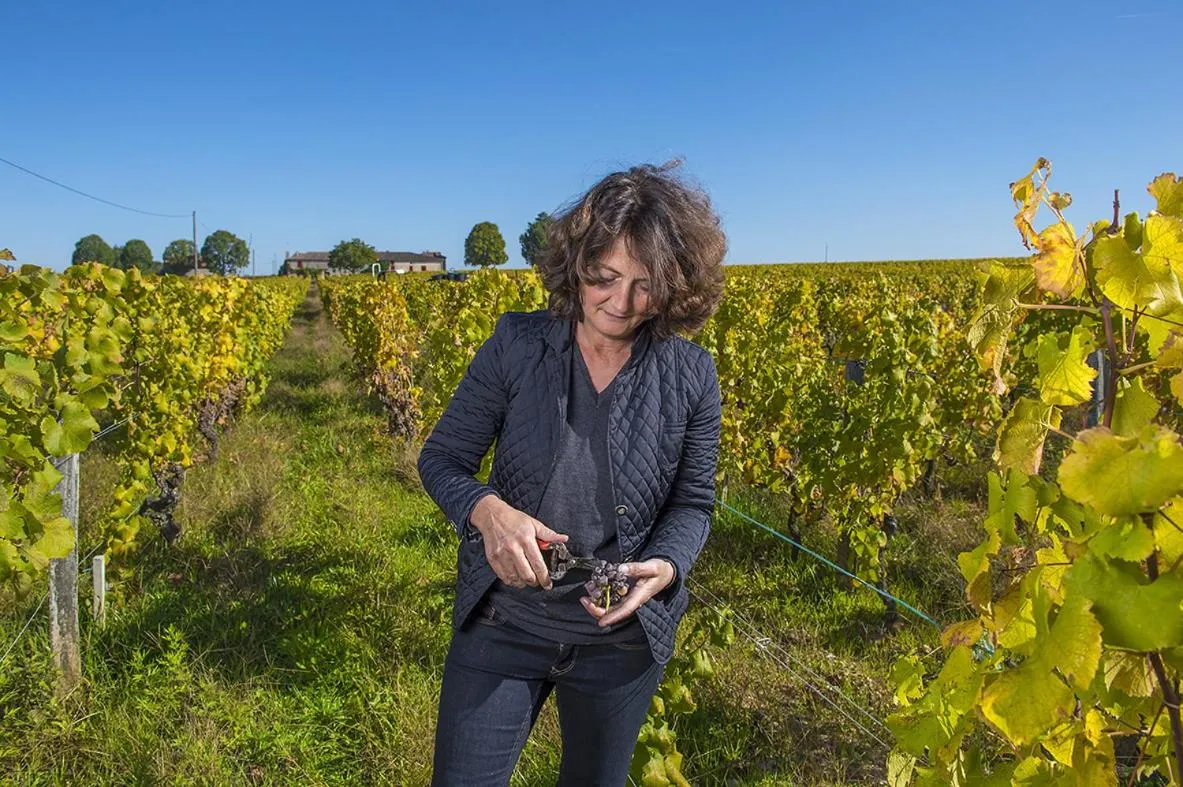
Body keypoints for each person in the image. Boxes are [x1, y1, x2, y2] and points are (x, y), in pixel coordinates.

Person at [418, 161, 725, 786]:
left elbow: (693, 504)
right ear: (576, 265)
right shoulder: (517, 344)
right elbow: (442, 459)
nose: (620, 302)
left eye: (645, 285)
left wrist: (664, 567)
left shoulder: (692, 375)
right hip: (505, 622)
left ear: (675, 287)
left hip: (621, 641)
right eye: (604, 277)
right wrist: (489, 513)